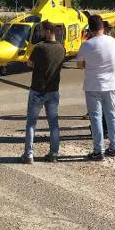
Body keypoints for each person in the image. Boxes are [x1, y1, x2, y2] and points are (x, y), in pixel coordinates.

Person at [75, 15, 115, 161]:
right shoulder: (113, 41)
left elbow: (80, 65)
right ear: (102, 26)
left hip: (93, 85)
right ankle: (114, 146)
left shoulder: (87, 45)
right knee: (111, 115)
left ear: (90, 28)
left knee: (96, 118)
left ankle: (98, 150)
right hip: (111, 84)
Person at [21, 21, 66, 164]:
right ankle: (54, 153)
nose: (40, 33)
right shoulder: (61, 48)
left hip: (37, 90)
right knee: (53, 124)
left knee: (31, 123)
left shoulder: (39, 47)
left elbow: (29, 63)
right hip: (53, 91)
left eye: (41, 30)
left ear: (48, 32)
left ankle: (28, 154)